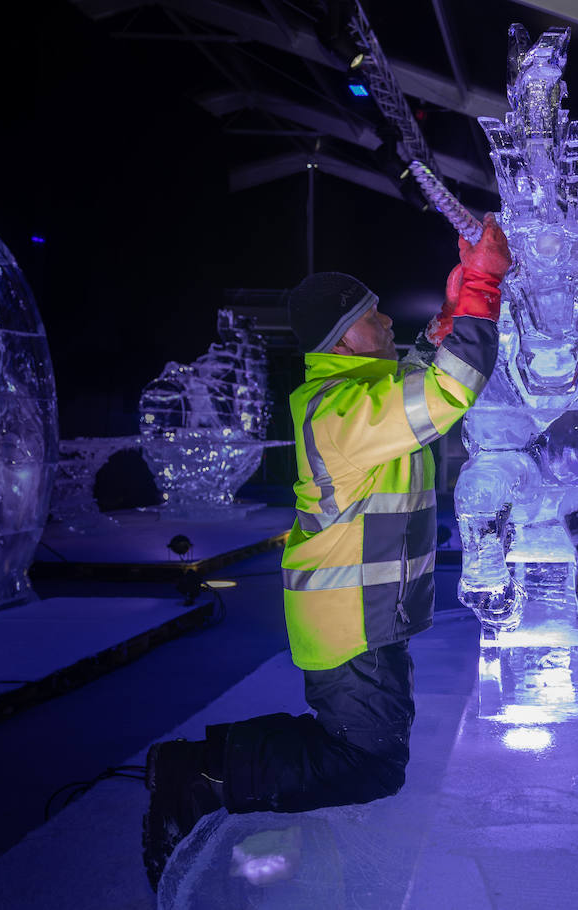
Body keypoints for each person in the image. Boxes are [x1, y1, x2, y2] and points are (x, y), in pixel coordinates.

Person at [140, 216, 512, 889]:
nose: (388, 323)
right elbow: (446, 391)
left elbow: (418, 381)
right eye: (373, 317)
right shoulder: (341, 410)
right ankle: (198, 772)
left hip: (363, 613)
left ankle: (207, 765)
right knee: (365, 762)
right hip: (350, 620)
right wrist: (482, 291)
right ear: (343, 338)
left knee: (360, 749)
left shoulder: (357, 397)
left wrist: (453, 313)